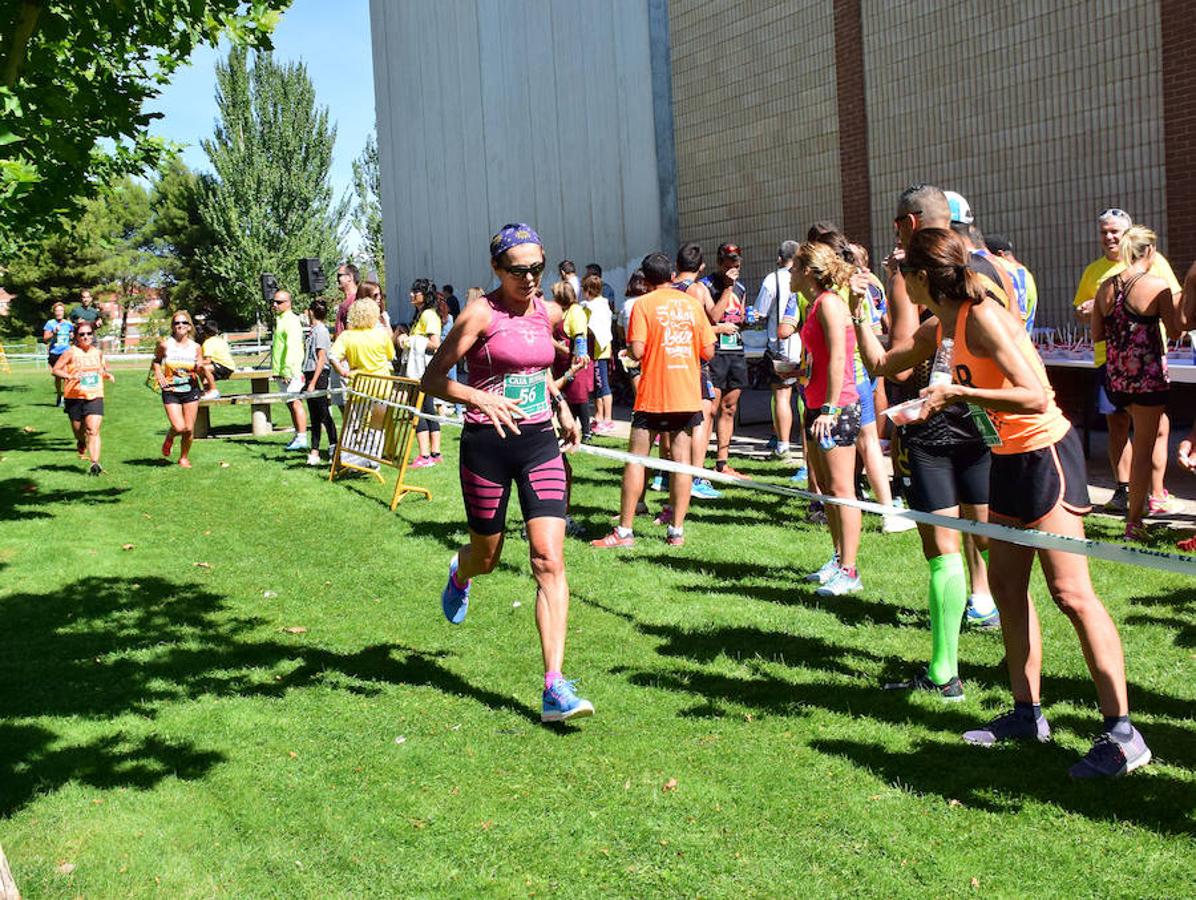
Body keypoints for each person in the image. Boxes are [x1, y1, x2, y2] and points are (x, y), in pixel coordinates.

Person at [901, 226, 1149, 778]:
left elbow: (1037, 394)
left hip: (1045, 456)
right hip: (1006, 459)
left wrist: (960, 393)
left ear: (921, 277)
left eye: (903, 272)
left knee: (1071, 594)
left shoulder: (981, 315)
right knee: (1008, 587)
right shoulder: (948, 322)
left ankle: (1123, 733)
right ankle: (1026, 712)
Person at [420, 223, 591, 724]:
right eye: (519, 270)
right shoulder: (479, 314)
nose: (531, 278)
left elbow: (536, 369)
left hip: (538, 442)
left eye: (538, 268)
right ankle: (461, 570)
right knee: (487, 557)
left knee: (548, 559)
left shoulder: (547, 313)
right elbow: (432, 379)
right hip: (485, 445)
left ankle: (554, 685)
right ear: (496, 268)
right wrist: (478, 396)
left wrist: (559, 404)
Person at [886, 184, 999, 630]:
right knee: (985, 519)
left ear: (910, 223)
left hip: (931, 414)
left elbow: (894, 368)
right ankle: (988, 598)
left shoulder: (909, 272)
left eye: (897, 225)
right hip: (984, 411)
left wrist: (865, 315)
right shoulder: (993, 268)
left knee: (940, 544)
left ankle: (944, 663)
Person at [592, 251, 715, 549]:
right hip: (687, 395)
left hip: (654, 395)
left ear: (645, 281)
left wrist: (631, 354)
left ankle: (624, 532)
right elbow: (708, 352)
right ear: (672, 276)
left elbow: (637, 350)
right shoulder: (692, 304)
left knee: (636, 459)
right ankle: (676, 532)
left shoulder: (643, 305)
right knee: (682, 462)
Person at [1073, 208, 1182, 515]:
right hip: (1140, 369)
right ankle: (1132, 502)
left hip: (1118, 367)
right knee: (1133, 433)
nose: (1108, 237)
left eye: (1114, 232)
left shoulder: (1117, 280)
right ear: (1149, 249)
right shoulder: (1101, 273)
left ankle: (1149, 495)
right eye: (1104, 232)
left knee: (1150, 430)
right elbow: (1175, 319)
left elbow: (1097, 333)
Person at [793, 241, 865, 597]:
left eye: (794, 268)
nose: (789, 273)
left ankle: (850, 570)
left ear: (807, 270)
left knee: (841, 491)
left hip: (835, 408)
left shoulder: (831, 304)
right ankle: (838, 559)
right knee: (827, 492)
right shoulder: (817, 303)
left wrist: (830, 408)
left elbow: (840, 359)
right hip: (816, 404)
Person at [673, 244, 721, 499]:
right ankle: (697, 476)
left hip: (669, 360)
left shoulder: (665, 291)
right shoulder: (698, 290)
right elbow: (702, 328)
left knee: (672, 419)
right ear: (701, 267)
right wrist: (719, 330)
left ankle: (667, 473)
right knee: (703, 416)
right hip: (694, 362)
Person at [700, 242, 751, 478]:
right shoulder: (707, 286)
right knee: (710, 409)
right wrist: (727, 289)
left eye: (737, 260)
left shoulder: (740, 287)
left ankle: (722, 462)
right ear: (721, 263)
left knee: (729, 408)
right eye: (730, 261)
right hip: (715, 352)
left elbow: (739, 317)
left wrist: (748, 318)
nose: (735, 264)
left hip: (735, 351)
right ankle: (698, 466)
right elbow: (712, 317)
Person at [330, 297, 397, 472]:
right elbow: (390, 355)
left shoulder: (347, 336)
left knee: (354, 424)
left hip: (360, 387)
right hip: (382, 387)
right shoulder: (381, 334)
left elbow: (333, 356)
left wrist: (342, 371)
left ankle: (350, 460)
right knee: (376, 424)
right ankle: (373, 459)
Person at [754, 240, 801, 460]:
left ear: (779, 258)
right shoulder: (808, 276)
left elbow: (760, 312)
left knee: (782, 396)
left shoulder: (773, 279)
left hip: (782, 347)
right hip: (806, 347)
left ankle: (782, 446)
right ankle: (806, 442)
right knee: (805, 397)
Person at [51, 321, 114, 474]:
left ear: (93, 335)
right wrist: (69, 376)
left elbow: (101, 370)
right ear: (76, 336)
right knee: (79, 431)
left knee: (93, 430)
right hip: (74, 397)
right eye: (82, 334)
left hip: (95, 395)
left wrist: (107, 375)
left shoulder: (98, 353)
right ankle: (80, 441)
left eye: (88, 334)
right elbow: (55, 370)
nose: (86, 337)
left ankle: (95, 463)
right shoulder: (70, 352)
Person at [153, 309, 204, 468]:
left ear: (189, 327)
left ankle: (183, 458)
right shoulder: (165, 344)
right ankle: (170, 436)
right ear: (173, 326)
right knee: (179, 427)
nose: (180, 325)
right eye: (177, 323)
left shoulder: (196, 347)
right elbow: (156, 361)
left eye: (184, 323)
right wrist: (159, 374)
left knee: (189, 429)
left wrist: (200, 367)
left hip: (191, 389)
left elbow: (200, 367)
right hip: (171, 390)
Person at [402, 279, 444, 467]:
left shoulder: (428, 315)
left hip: (422, 371)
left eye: (416, 291)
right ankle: (434, 453)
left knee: (418, 410)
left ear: (424, 295)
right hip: (423, 370)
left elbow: (435, 344)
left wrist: (410, 341)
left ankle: (425, 455)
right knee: (427, 409)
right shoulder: (421, 314)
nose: (411, 294)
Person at [550, 280, 595, 442]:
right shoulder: (562, 312)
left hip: (574, 361)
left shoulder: (576, 311)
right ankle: (568, 429)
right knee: (566, 397)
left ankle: (586, 431)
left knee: (579, 396)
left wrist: (578, 357)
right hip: (560, 363)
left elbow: (579, 336)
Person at [270, 290, 308, 452]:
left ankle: (302, 437)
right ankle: (297, 434)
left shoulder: (291, 321)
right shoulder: (280, 320)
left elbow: (293, 348)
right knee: (289, 403)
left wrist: (287, 371)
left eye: (279, 302)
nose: (275, 305)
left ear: (288, 303)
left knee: (295, 402)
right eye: (274, 302)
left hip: (291, 371)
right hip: (281, 371)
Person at [302, 299, 337, 467]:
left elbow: (321, 358)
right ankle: (314, 450)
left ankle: (334, 446)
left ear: (311, 312)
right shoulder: (312, 331)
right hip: (309, 373)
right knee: (314, 416)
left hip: (319, 376)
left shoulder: (321, 331)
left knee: (324, 414)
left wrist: (313, 382)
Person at [985, 233, 1038, 333]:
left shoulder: (1014, 276)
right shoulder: (1025, 274)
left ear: (1000, 254)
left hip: (1014, 340)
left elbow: (1018, 317)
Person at [582, 273, 615, 434]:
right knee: (597, 386)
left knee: (603, 385)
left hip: (599, 351)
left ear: (588, 290)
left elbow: (593, 328)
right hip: (598, 350)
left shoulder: (595, 306)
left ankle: (607, 418)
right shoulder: (601, 304)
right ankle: (599, 416)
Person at [43, 302, 74, 406]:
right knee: (58, 377)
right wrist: (54, 333)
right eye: (57, 310)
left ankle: (66, 397)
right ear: (54, 312)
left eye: (61, 310)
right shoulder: (50, 323)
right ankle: (59, 395)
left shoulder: (68, 324)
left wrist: (72, 336)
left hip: (66, 352)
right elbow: (45, 339)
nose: (59, 312)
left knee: (65, 374)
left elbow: (72, 336)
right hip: (54, 353)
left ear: (63, 312)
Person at [199, 320, 235, 400]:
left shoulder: (208, 343)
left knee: (202, 368)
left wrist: (196, 362)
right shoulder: (220, 340)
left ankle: (213, 391)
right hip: (230, 366)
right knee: (202, 370)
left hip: (224, 367)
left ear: (204, 332)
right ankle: (206, 391)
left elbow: (207, 361)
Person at [334, 263, 361, 336]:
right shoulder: (346, 302)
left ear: (350, 277)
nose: (336, 280)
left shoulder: (357, 301)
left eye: (339, 276)